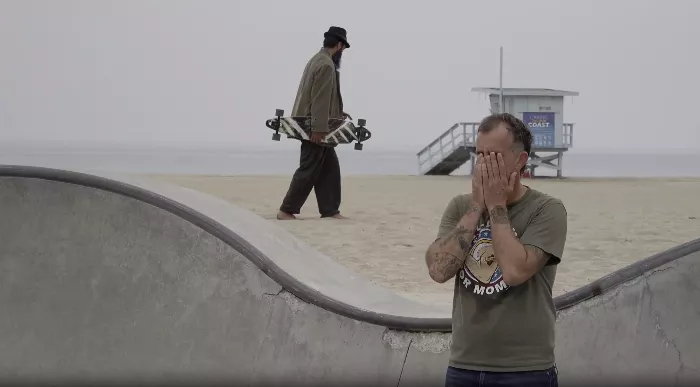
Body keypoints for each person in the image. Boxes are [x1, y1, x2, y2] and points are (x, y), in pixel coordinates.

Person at [424, 113, 568, 387]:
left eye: (494, 156)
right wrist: (476, 208)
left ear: (520, 160)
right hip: (463, 366)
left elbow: (514, 271)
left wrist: (497, 206)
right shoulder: (460, 206)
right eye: (480, 155)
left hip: (525, 369)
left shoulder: (547, 210)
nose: (484, 165)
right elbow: (439, 270)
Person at [277, 26, 352, 220]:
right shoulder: (326, 65)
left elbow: (316, 95)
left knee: (330, 170)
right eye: (343, 48)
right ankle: (287, 210)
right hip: (315, 128)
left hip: (314, 124)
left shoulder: (316, 60)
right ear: (340, 45)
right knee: (308, 168)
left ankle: (330, 210)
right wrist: (318, 129)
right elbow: (319, 99)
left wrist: (337, 112)